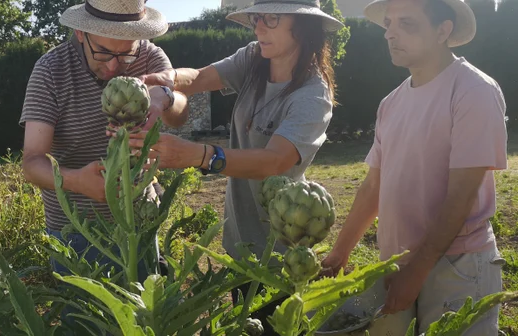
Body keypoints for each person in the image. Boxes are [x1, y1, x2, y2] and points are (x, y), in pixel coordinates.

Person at [132, 0, 343, 333]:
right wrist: (168, 79)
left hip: (281, 248)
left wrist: (200, 155)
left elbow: (274, 161)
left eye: (271, 18)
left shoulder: (312, 96)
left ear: (304, 26)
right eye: (257, 17)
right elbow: (201, 76)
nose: (259, 27)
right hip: (239, 239)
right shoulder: (255, 58)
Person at [320, 0, 508, 334]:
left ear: (443, 30)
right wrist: (338, 255)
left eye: (407, 23)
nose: (390, 34)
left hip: (457, 266)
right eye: (389, 23)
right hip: (394, 266)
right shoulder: (390, 104)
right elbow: (373, 187)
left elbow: (460, 198)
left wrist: (417, 271)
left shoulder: (473, 91)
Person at [18, 0, 190, 329]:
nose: (115, 67)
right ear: (81, 32)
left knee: (145, 322)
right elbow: (31, 162)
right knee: (87, 324)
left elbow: (181, 112)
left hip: (139, 220)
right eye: (104, 54)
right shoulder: (51, 70)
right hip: (78, 231)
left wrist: (165, 96)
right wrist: (75, 181)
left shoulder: (150, 56)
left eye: (125, 54)